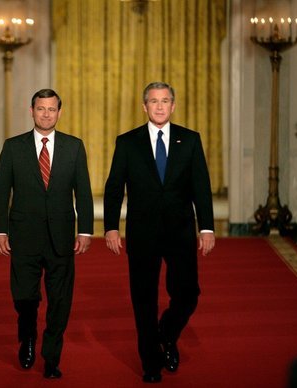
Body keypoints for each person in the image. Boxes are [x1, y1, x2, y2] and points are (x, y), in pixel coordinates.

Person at [103, 82, 215, 383]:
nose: (160, 106)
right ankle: (151, 364)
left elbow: (201, 187)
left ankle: (165, 333)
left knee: (188, 294)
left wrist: (206, 228)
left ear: (173, 105)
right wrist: (111, 227)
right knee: (144, 299)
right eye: (154, 101)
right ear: (144, 106)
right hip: (142, 232)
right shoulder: (127, 142)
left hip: (180, 231)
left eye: (165, 101)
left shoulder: (190, 140)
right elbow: (114, 188)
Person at [0, 88, 94, 379]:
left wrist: (85, 230)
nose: (46, 114)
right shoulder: (13, 147)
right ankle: (28, 337)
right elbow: (1, 192)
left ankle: (51, 357)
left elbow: (83, 192)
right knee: (24, 297)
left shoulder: (74, 147)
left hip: (62, 237)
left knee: (60, 300)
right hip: (24, 236)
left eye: (51, 109)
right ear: (31, 111)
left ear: (59, 113)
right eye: (41, 109)